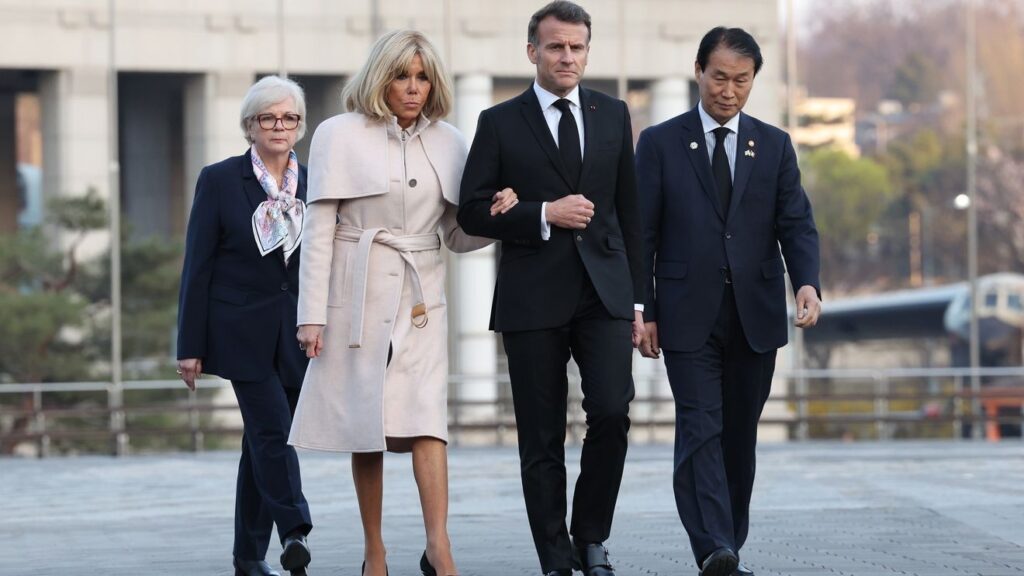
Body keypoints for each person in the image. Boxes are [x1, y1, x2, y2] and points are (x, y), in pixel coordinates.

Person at [288, 30, 515, 576]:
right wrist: (311, 315)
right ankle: (375, 551)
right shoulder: (337, 134)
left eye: (422, 78)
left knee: (427, 420)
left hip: (421, 300)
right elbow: (318, 231)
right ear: (379, 78)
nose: (413, 88)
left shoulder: (451, 141)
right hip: (356, 296)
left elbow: (456, 236)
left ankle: (439, 547)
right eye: (401, 76)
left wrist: (497, 218)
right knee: (364, 425)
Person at [457, 2, 645, 575]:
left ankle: (591, 537)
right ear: (532, 51)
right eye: (556, 46)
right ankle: (556, 559)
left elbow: (630, 214)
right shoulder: (499, 121)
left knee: (611, 412)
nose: (567, 57)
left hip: (604, 293)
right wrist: (542, 213)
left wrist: (640, 301)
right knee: (541, 437)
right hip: (532, 296)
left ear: (587, 51)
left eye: (577, 47)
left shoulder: (613, 114)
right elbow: (470, 211)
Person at [635, 27, 822, 576]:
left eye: (742, 80)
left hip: (754, 313)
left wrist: (806, 283)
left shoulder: (774, 145)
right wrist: (643, 309)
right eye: (719, 77)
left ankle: (728, 545)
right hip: (685, 313)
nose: (729, 90)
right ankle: (713, 545)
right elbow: (642, 233)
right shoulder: (660, 143)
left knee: (739, 435)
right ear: (699, 71)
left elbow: (796, 223)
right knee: (700, 427)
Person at [177, 75, 314, 576]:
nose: (279, 126)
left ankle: (248, 556)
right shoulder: (219, 179)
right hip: (238, 332)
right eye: (268, 118)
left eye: (289, 117)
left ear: (299, 125)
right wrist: (189, 345)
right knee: (274, 432)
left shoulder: (316, 181)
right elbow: (198, 265)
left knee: (260, 442)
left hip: (298, 333)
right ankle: (295, 529)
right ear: (249, 126)